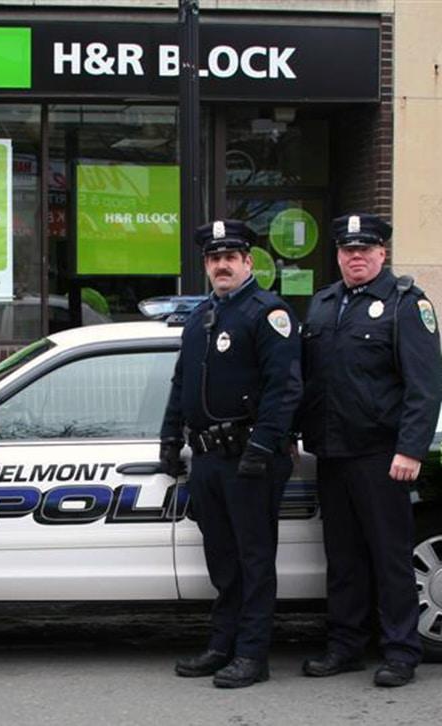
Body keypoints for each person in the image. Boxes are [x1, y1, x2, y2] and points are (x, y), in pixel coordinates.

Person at [297, 213, 442, 687]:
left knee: (390, 558)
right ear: (338, 254)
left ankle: (401, 652)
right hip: (332, 453)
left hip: (383, 455)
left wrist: (411, 449)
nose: (355, 256)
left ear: (382, 252)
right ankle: (345, 646)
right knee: (343, 559)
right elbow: (310, 380)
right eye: (347, 249)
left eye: (365, 248)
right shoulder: (323, 304)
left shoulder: (406, 304)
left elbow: (425, 386)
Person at [160, 219, 302, 688]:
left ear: (247, 262)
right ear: (206, 264)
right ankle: (222, 645)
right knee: (222, 560)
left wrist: (262, 445)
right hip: (207, 458)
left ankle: (252, 655)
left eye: (230, 257)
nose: (222, 265)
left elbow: (285, 387)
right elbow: (182, 382)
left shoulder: (268, 313)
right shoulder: (201, 317)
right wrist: (169, 436)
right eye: (214, 258)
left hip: (250, 458)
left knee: (254, 560)